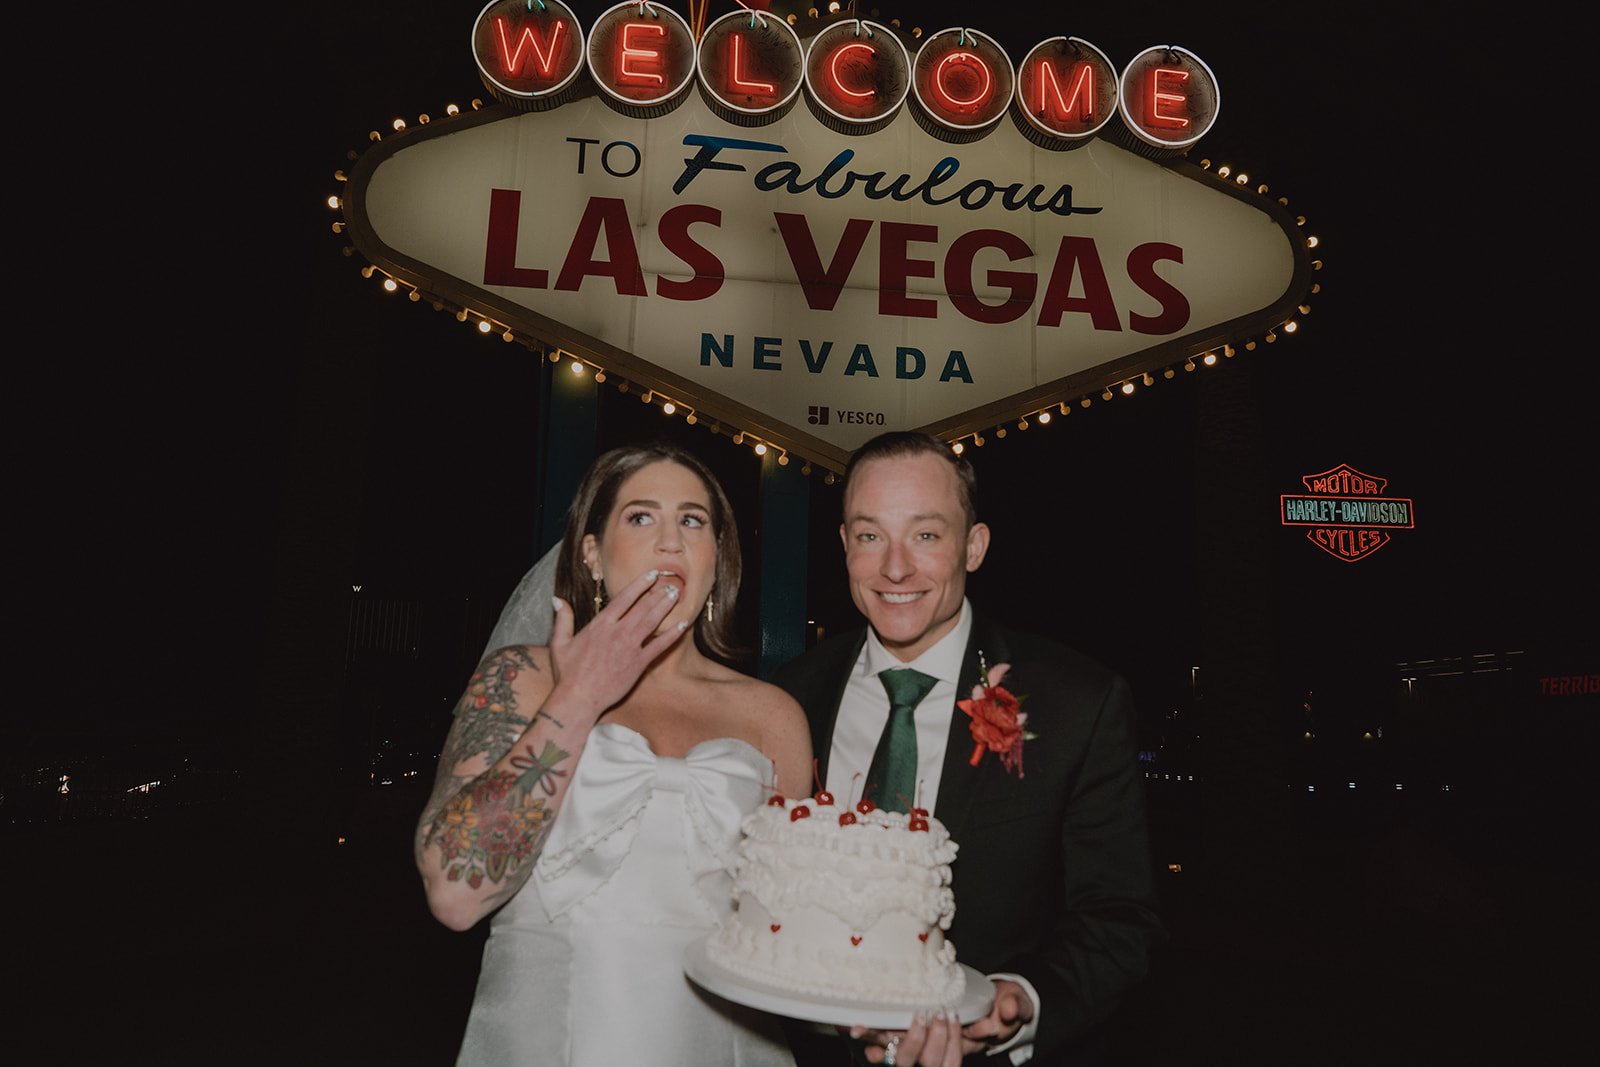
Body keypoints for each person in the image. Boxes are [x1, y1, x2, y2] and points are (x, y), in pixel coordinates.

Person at [414, 440, 813, 1067]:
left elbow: (800, 928)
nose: (670, 541)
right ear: (593, 555)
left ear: (717, 559)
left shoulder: (773, 716)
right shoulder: (521, 679)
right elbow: (455, 894)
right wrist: (581, 696)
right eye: (640, 516)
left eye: (692, 520)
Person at [771, 431, 1163, 1067]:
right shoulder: (789, 697)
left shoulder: (1077, 705)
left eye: (926, 535)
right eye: (870, 536)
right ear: (845, 546)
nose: (895, 568)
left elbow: (1118, 918)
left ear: (973, 546)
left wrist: (1023, 1001)